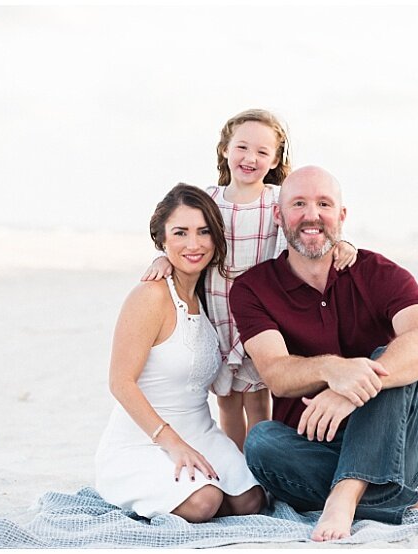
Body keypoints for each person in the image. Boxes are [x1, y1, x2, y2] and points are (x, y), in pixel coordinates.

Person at [229, 166, 418, 542]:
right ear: (279, 215)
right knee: (261, 441)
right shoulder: (253, 288)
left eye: (324, 203)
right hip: (309, 451)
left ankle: (345, 495)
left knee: (390, 356)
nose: (312, 215)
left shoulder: (380, 273)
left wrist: (348, 391)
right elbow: (278, 375)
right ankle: (417, 505)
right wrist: (334, 369)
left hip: (396, 446)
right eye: (298, 203)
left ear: (342, 216)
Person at [142, 110, 355, 450]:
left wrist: (342, 244)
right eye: (242, 147)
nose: (250, 158)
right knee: (227, 398)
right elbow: (185, 239)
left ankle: (260, 466)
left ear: (274, 159)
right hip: (218, 310)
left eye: (262, 152)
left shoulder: (277, 199)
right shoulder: (209, 199)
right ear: (225, 148)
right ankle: (236, 464)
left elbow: (307, 231)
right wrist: (161, 258)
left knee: (258, 397)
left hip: (260, 313)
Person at [95, 184, 265, 523]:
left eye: (204, 232)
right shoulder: (150, 296)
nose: (193, 244)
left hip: (200, 431)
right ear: (162, 239)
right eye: (180, 233)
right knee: (205, 502)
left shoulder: (209, 294)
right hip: (143, 440)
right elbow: (120, 382)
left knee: (251, 501)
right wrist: (171, 442)